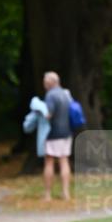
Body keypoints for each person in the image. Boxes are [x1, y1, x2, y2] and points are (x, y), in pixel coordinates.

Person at [42, 71, 73, 201]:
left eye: (44, 81)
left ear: (50, 82)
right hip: (67, 133)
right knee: (64, 161)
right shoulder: (66, 94)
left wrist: (39, 114)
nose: (43, 84)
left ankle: (48, 194)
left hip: (53, 133)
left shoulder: (50, 95)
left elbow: (48, 114)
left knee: (49, 162)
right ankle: (65, 193)